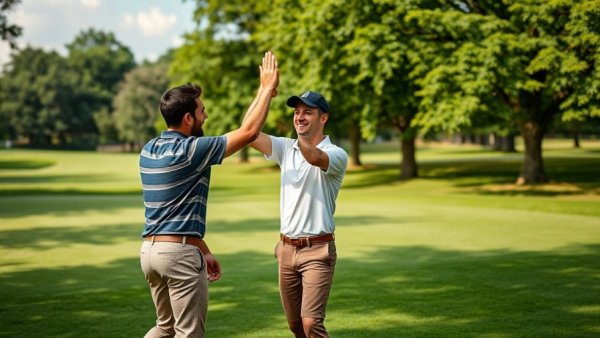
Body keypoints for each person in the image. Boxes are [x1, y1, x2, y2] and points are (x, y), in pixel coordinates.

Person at [139, 51, 279, 338]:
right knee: (188, 333)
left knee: (164, 328)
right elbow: (249, 131)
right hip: (178, 255)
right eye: (202, 110)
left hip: (150, 252)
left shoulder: (149, 149)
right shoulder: (192, 151)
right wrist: (265, 89)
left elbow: (173, 214)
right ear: (188, 118)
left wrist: (203, 249)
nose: (206, 115)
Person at [250, 91, 348, 337]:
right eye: (296, 112)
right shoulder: (286, 147)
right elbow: (249, 133)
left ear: (323, 118)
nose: (300, 117)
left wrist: (300, 135)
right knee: (295, 326)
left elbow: (315, 156)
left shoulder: (336, 154)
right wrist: (264, 92)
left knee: (311, 324)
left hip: (318, 251)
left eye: (307, 112)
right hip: (285, 250)